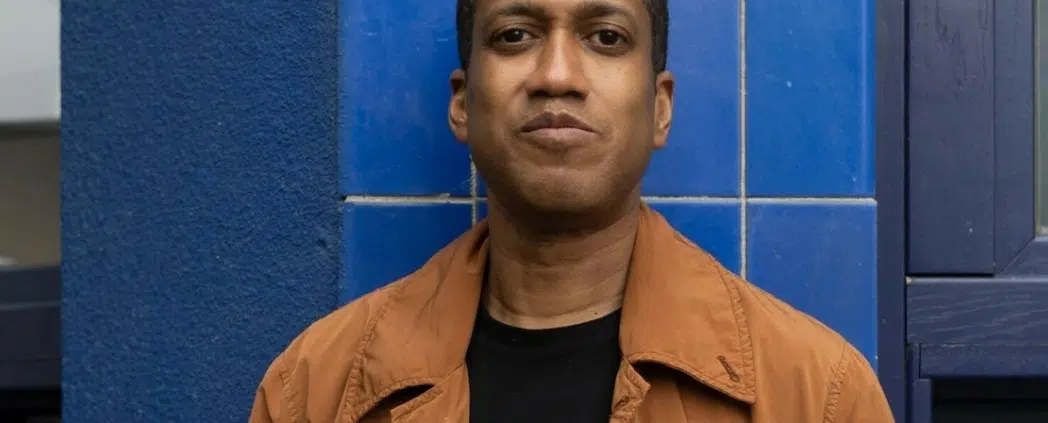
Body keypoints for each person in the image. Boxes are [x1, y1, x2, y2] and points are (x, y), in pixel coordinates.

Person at [248, 0, 895, 421]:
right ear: (463, 104)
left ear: (660, 107)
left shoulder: (818, 395)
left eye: (606, 37)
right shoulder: (315, 389)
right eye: (515, 35)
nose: (557, 74)